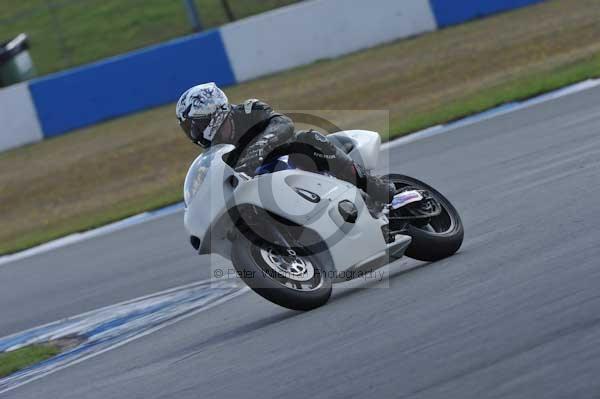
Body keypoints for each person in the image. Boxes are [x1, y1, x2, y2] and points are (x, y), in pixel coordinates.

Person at [176, 82, 395, 204]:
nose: (194, 133)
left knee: (305, 139)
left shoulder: (248, 111)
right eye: (189, 129)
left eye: (196, 125)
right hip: (266, 189)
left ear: (213, 112)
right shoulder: (215, 153)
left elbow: (283, 124)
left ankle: (374, 188)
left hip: (295, 161)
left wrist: (260, 147)